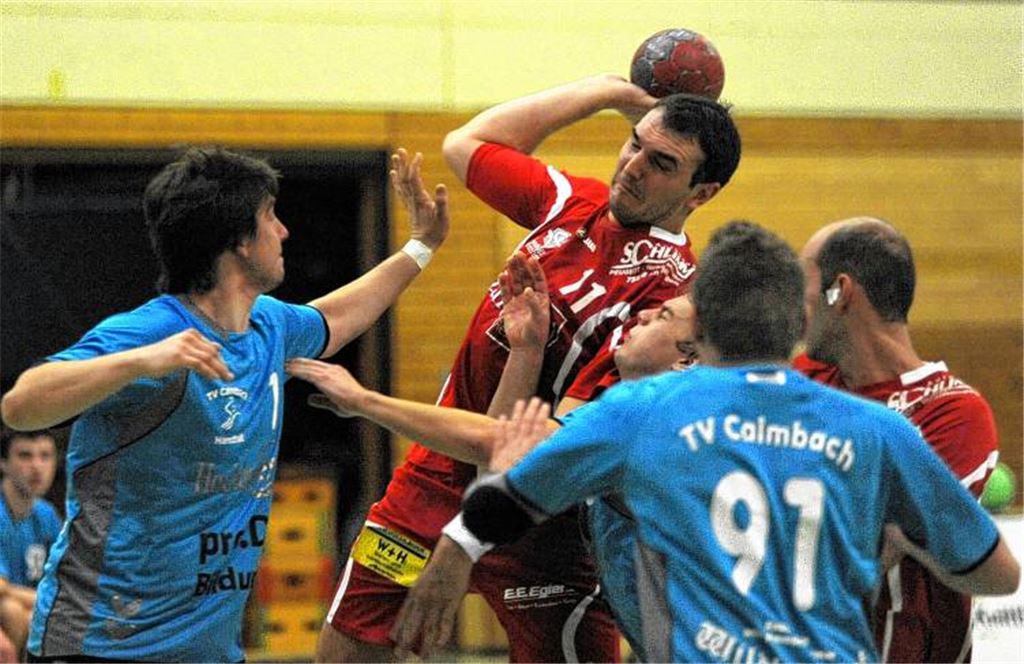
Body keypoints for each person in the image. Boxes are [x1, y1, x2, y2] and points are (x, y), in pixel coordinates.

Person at [450, 221, 1020, 662]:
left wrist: (499, 473)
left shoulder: (947, 408)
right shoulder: (856, 418)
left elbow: (496, 508)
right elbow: (991, 569)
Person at [318, 73, 741, 663]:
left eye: (662, 162)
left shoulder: (666, 305)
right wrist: (604, 92)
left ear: (701, 192)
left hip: (544, 514)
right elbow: (467, 146)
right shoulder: (575, 202)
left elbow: (527, 448)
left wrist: (364, 400)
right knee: (344, 654)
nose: (634, 165)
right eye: (634, 143)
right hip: (435, 476)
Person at [0, 146, 448, 662]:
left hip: (209, 651)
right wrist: (141, 363)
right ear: (237, 240)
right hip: (102, 647)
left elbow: (337, 319)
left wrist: (421, 247)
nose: (283, 231)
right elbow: (21, 404)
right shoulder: (151, 334)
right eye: (269, 217)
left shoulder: (269, 326)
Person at [288, 254, 698, 658]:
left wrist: (365, 401)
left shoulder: (647, 420)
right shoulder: (645, 410)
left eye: (661, 316)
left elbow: (491, 444)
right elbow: (501, 463)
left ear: (688, 358)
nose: (640, 317)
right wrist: (526, 353)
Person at [795, 217, 1001, 662]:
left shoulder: (953, 410)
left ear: (840, 291)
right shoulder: (802, 380)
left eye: (802, 280)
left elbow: (869, 544)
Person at [0, 428, 61, 661]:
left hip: (32, 605)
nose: (37, 466)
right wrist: (44, 600)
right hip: (17, 610)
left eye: (45, 456)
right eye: (25, 455)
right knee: (12, 611)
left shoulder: (46, 514)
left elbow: (67, 574)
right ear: (4, 463)